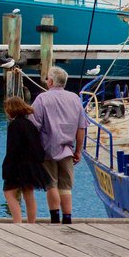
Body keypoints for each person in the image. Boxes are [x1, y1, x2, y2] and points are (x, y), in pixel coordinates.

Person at [31, 67, 89, 224]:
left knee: (51, 184)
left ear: (50, 81)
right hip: (68, 149)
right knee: (66, 186)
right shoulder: (75, 99)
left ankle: (55, 218)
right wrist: (78, 150)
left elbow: (34, 125)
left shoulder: (42, 99)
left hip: (47, 149)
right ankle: (68, 218)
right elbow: (81, 127)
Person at [1, 96, 51, 223]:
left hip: (18, 165)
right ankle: (31, 223)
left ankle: (18, 222)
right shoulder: (30, 124)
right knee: (29, 194)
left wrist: (6, 166)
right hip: (32, 165)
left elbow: (12, 149)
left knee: (9, 193)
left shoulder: (14, 126)